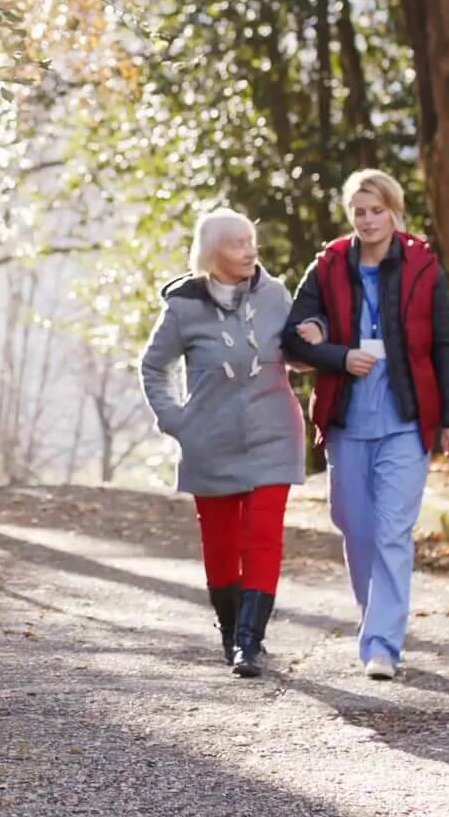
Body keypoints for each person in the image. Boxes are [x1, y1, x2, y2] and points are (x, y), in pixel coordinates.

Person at [281, 169, 449, 681]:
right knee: (355, 527)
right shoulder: (327, 265)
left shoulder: (422, 265)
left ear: (393, 211)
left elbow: (445, 346)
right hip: (346, 421)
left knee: (391, 532)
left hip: (405, 421)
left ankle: (382, 644)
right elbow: (292, 338)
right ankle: (375, 618)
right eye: (359, 212)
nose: (367, 221)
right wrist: (339, 356)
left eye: (377, 210)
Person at [140, 208, 307, 678]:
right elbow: (153, 367)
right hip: (209, 442)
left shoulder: (275, 294)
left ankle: (249, 643)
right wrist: (175, 420)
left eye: (251, 240)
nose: (250, 251)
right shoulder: (183, 307)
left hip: (274, 435)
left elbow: (296, 354)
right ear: (213, 253)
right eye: (237, 244)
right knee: (221, 544)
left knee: (263, 537)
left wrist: (316, 342)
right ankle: (231, 631)